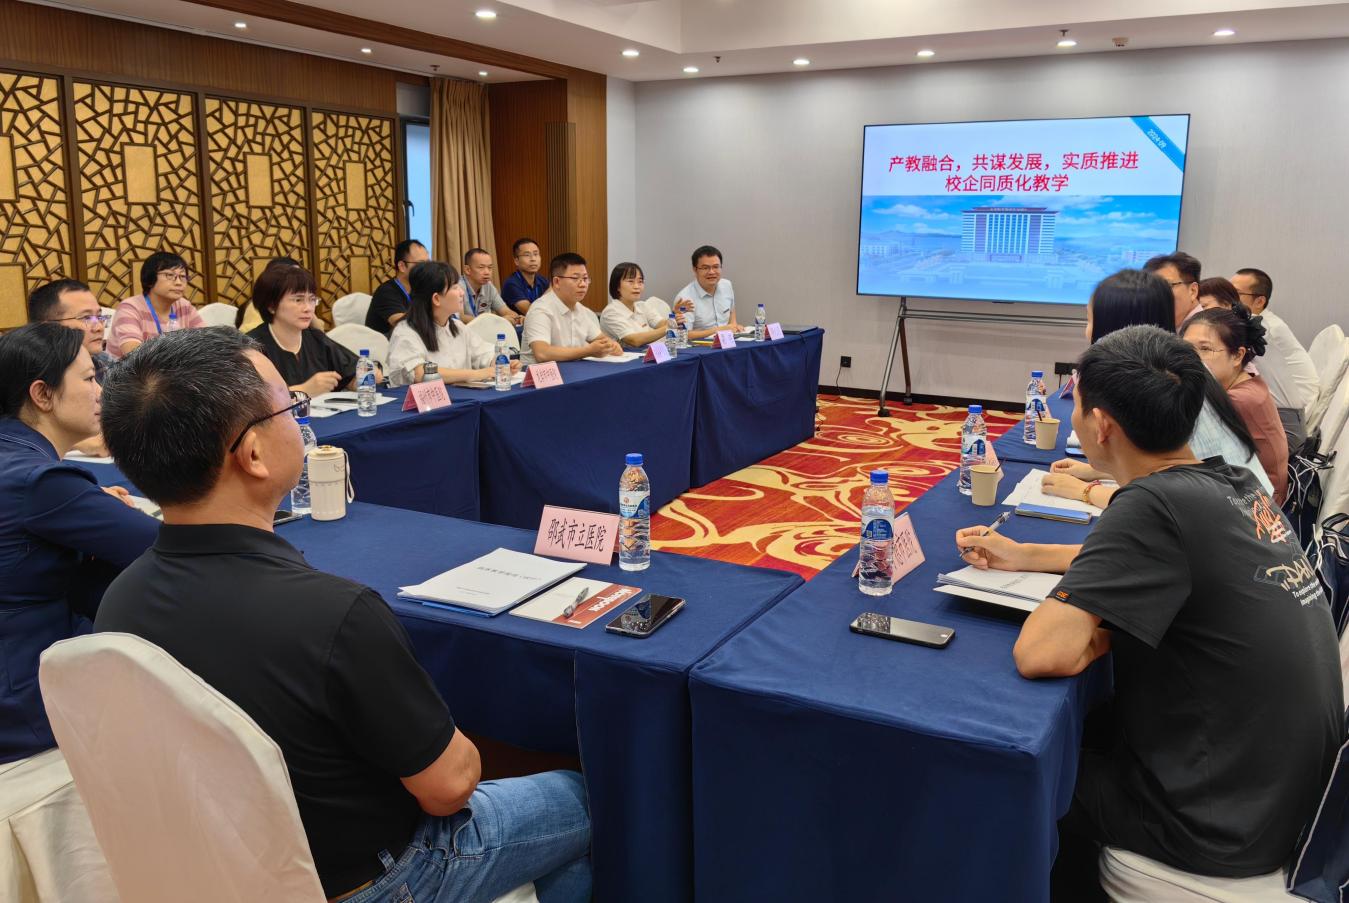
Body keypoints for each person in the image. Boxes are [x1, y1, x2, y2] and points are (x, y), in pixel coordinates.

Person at [94, 328, 592, 902]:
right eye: (290, 407)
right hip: (372, 880)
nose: (298, 420)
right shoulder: (333, 613)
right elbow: (451, 788)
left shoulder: (118, 600)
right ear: (253, 454)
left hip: (216, 872)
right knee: (586, 797)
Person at [955, 325, 1340, 891]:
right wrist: (1028, 555)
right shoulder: (1231, 481)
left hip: (1211, 824)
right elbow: (1167, 567)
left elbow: (1042, 654)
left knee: (991, 768)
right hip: (1286, 802)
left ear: (1101, 425)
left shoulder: (1152, 504)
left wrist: (1109, 632)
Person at [0, 322, 158, 765]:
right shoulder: (41, 482)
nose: (100, 391)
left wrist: (86, 506)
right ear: (42, 395)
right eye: (89, 379)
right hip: (25, 702)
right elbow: (160, 546)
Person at [1043, 269, 1273, 507]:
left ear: (1117, 328)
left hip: (1227, 509)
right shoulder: (1181, 367)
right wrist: (1098, 472)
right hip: (1249, 504)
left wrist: (1085, 491)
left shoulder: (1158, 384)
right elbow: (1163, 468)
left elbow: (1167, 502)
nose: (1088, 331)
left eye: (1091, 320)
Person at [1182, 307, 1289, 503]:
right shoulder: (1248, 380)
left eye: (1205, 349)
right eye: (1186, 349)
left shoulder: (1238, 400)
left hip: (1259, 504)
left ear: (1238, 356)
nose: (1191, 358)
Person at [388, 261, 522, 385]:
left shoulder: (457, 327)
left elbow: (483, 354)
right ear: (436, 299)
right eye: (454, 287)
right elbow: (419, 373)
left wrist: (501, 363)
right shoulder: (406, 332)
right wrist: (475, 374)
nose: (462, 292)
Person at [246, 263, 369, 397]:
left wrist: (357, 381)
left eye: (312, 300)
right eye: (298, 300)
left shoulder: (316, 339)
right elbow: (249, 400)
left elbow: (359, 372)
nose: (308, 308)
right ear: (271, 306)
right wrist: (304, 389)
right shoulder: (251, 347)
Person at [1231, 267, 1319, 450]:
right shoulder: (1259, 322)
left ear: (1259, 301)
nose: (1230, 299)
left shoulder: (1265, 329)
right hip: (1284, 408)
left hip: (1290, 416)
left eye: (1236, 294)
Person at [28, 279, 115, 458]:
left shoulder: (103, 363)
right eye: (86, 318)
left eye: (100, 317)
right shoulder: (22, 368)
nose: (99, 327)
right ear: (48, 327)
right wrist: (77, 440)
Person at [520, 253, 622, 364]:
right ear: (557, 282)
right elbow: (542, 353)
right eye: (575, 278)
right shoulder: (540, 310)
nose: (583, 284)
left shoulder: (581, 309)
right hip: (540, 373)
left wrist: (611, 345)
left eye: (585, 278)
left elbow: (602, 340)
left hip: (573, 369)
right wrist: (588, 351)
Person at [108, 251, 205, 358]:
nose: (178, 282)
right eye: (170, 275)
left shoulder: (185, 306)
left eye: (182, 276)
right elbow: (134, 355)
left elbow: (206, 342)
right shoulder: (130, 308)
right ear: (150, 279)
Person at [600, 262, 678, 347]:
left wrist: (675, 318)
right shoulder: (611, 312)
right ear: (617, 286)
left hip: (644, 353)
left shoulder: (643, 306)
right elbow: (635, 340)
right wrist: (669, 327)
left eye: (640, 281)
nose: (637, 286)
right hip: (623, 355)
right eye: (631, 281)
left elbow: (661, 323)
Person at [365, 239, 430, 337]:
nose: (427, 268)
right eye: (421, 264)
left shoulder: (421, 289)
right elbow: (402, 324)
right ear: (402, 266)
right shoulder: (386, 292)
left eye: (428, 263)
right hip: (384, 345)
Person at [674, 245, 740, 331]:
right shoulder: (685, 298)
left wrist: (734, 327)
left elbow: (732, 315)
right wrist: (719, 330)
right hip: (702, 340)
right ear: (695, 270)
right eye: (705, 268)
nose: (711, 272)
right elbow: (685, 334)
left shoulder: (726, 285)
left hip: (729, 338)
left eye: (716, 267)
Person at [236, 256, 302, 331]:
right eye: (293, 276)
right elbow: (249, 334)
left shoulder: (304, 301)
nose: (300, 280)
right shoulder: (257, 306)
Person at [457, 248, 519, 326]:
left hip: (485, 330)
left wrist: (517, 318)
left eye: (489, 267)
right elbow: (460, 317)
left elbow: (505, 311)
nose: (487, 272)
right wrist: (496, 321)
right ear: (467, 270)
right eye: (481, 267)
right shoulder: (457, 287)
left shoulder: (488, 286)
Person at [1143, 251, 1202, 329]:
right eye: (1151, 288)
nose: (1157, 294)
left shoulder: (1205, 331)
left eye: (1166, 286)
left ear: (1193, 291)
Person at [501, 238, 549, 316]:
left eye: (536, 254)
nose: (533, 259)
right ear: (516, 261)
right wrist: (551, 288)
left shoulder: (542, 280)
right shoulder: (511, 284)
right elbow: (531, 312)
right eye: (527, 255)